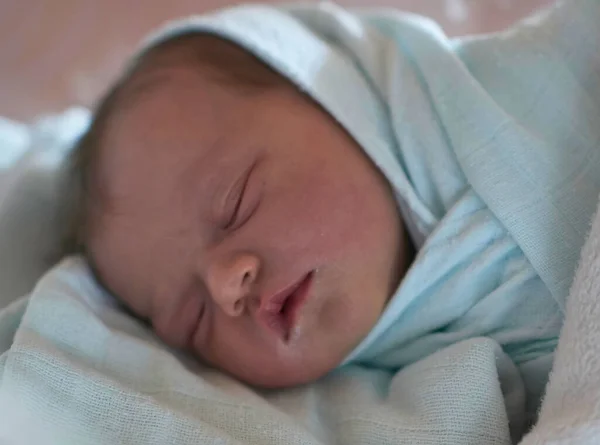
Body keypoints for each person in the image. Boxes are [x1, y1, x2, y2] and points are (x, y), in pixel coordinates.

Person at [59, 0, 599, 420]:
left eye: (237, 203)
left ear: (336, 94)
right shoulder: (417, 399)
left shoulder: (551, 83)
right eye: (192, 318)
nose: (226, 286)